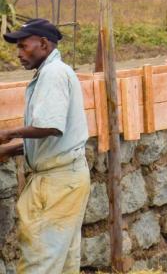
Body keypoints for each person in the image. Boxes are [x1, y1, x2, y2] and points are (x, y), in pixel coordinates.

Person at [0, 19, 89, 274]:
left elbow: (51, 126)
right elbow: (54, 138)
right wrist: (11, 150)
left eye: (23, 46)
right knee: (63, 263)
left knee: (41, 263)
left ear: (43, 43)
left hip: (57, 183)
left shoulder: (53, 73)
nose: (18, 54)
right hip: (66, 177)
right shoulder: (51, 72)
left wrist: (8, 133)